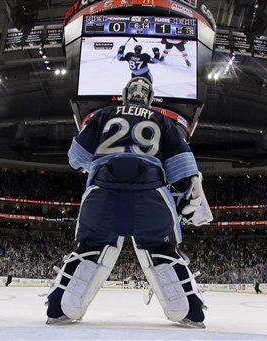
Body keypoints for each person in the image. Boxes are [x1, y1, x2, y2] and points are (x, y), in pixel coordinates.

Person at [46, 77, 213, 328]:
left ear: (125, 94)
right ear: (150, 97)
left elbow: (75, 158)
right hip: (151, 192)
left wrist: (96, 163)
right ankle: (190, 312)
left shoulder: (103, 115)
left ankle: (59, 308)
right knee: (162, 251)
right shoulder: (162, 120)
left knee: (89, 248)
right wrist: (190, 200)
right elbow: (184, 170)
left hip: (102, 190)